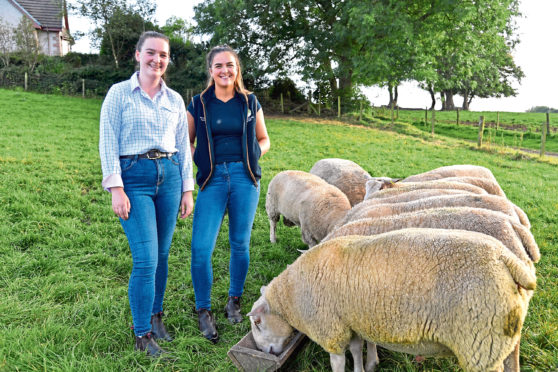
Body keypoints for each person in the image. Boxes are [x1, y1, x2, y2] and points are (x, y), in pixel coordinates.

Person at [99, 31, 194, 356]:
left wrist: (187, 189)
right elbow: (108, 141)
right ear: (137, 55)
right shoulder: (119, 94)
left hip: (168, 177)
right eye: (151, 53)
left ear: (168, 60)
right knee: (146, 258)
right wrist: (116, 187)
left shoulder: (175, 100)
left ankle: (155, 318)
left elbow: (183, 147)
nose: (157, 60)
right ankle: (141, 334)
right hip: (134, 179)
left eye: (163, 55)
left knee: (163, 256)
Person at [187, 45, 270, 343]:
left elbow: (264, 138)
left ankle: (234, 299)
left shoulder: (249, 102)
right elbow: (187, 142)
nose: (225, 70)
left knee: (240, 243)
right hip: (212, 180)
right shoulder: (198, 103)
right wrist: (203, 160)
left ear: (237, 70)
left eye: (230, 65)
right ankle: (203, 309)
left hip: (245, 178)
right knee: (200, 249)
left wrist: (252, 156)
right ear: (211, 70)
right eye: (219, 65)